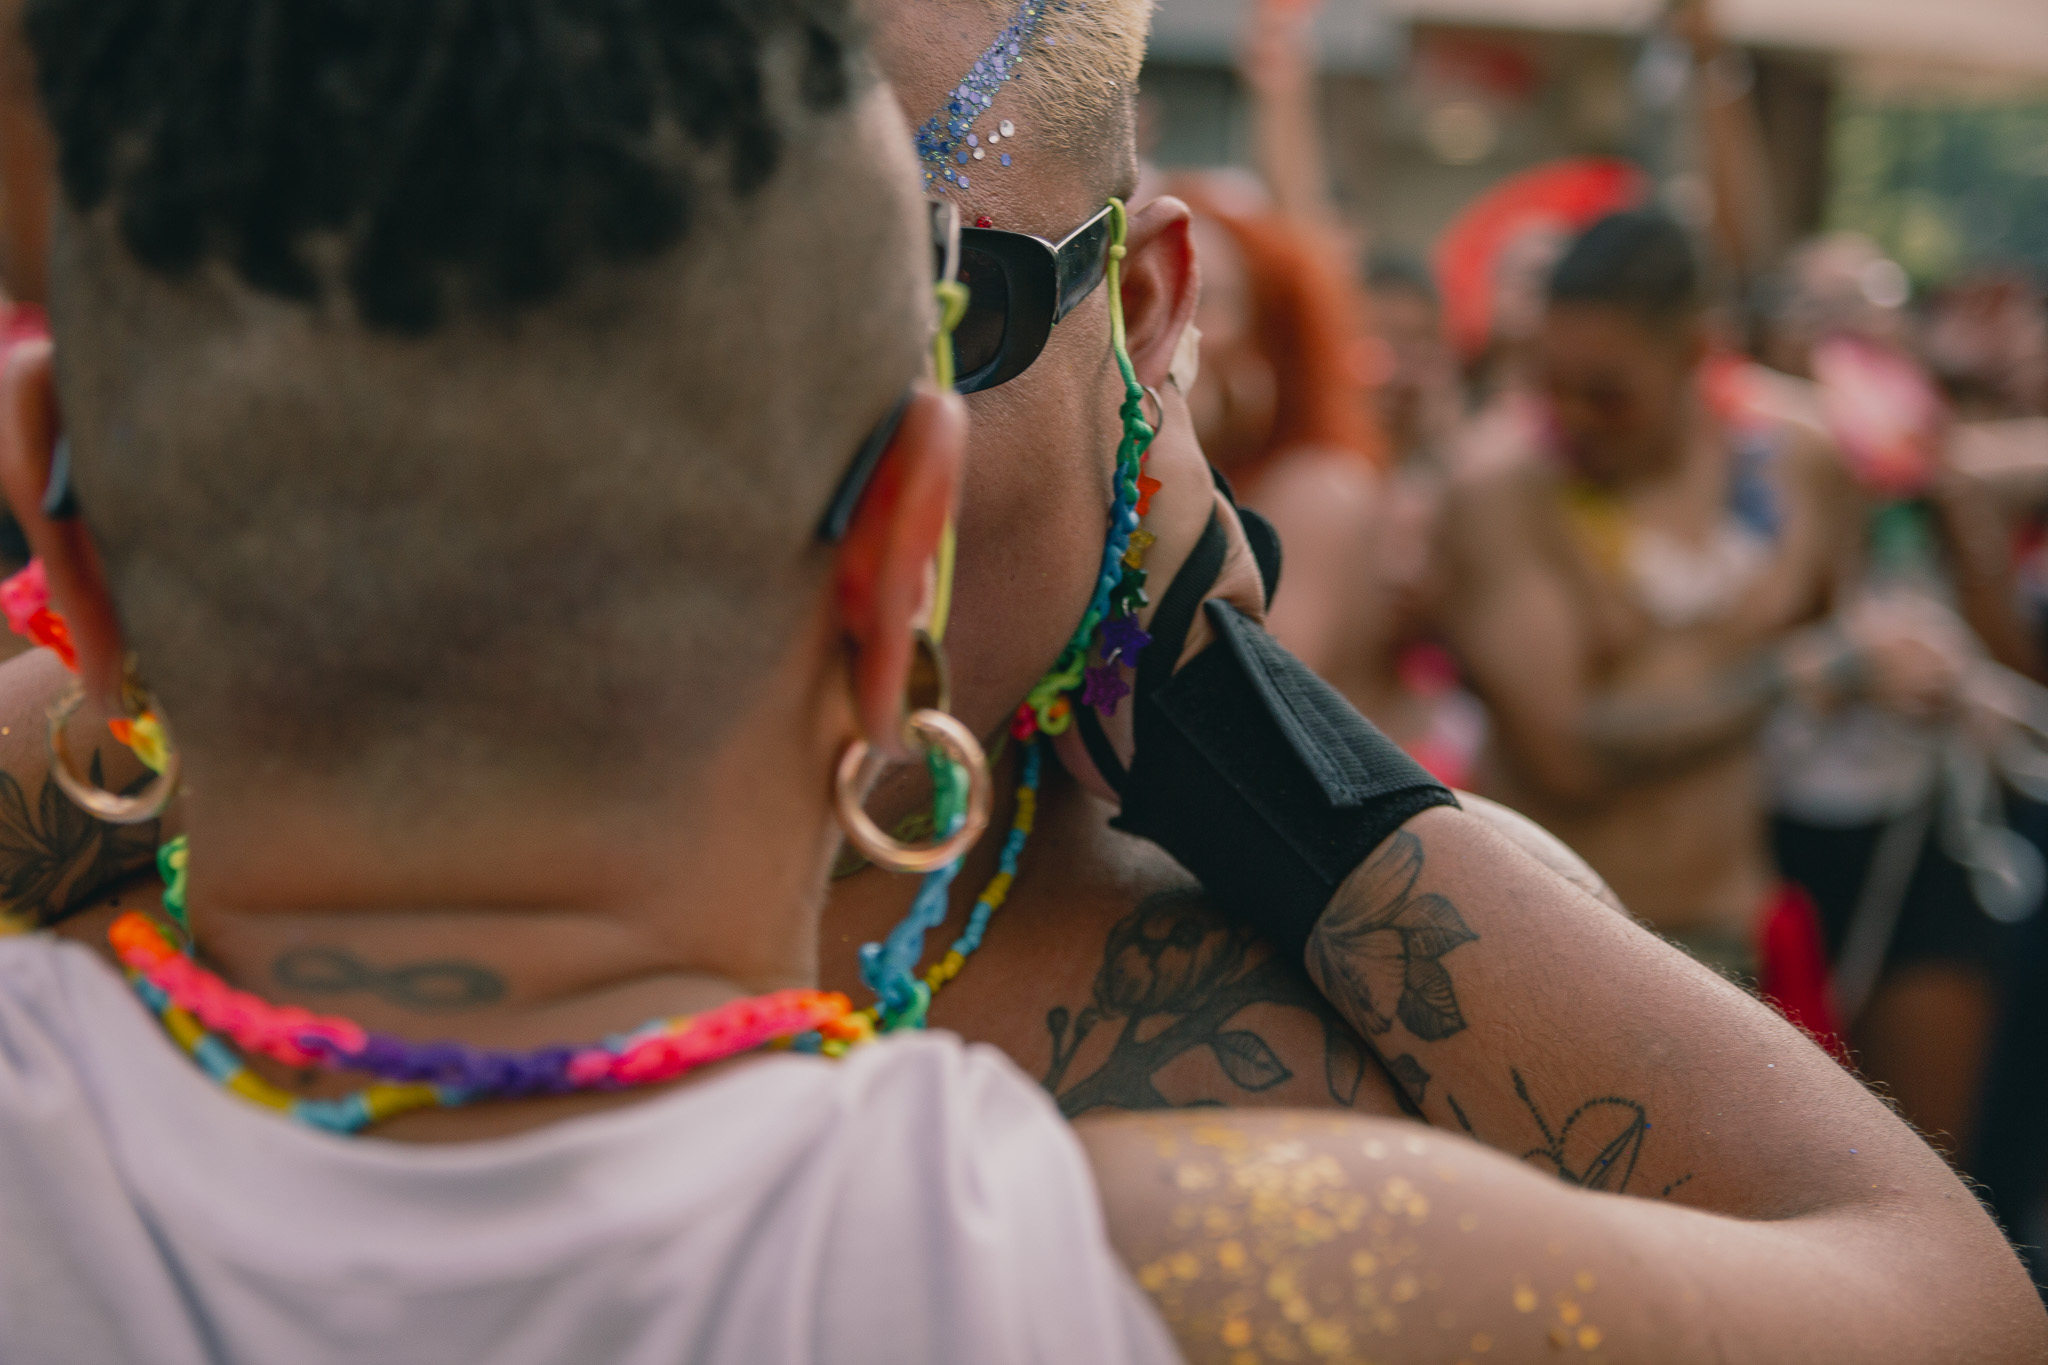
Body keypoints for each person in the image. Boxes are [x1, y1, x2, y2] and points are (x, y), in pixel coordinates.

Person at [7, 8, 2048, 1363]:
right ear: (888, 535)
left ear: (1143, 316)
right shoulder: (1219, 1248)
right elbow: (1939, 1307)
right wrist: (1248, 730)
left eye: (926, 298)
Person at [1439, 210, 1961, 1024]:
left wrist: (1898, 671)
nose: (1572, 415)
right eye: (1551, 383)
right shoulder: (1501, 489)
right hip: (1549, 938)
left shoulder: (1804, 461)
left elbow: (1830, 640)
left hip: (1726, 938)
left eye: (1606, 393)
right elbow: (1564, 755)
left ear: (1696, 350)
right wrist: (1801, 677)